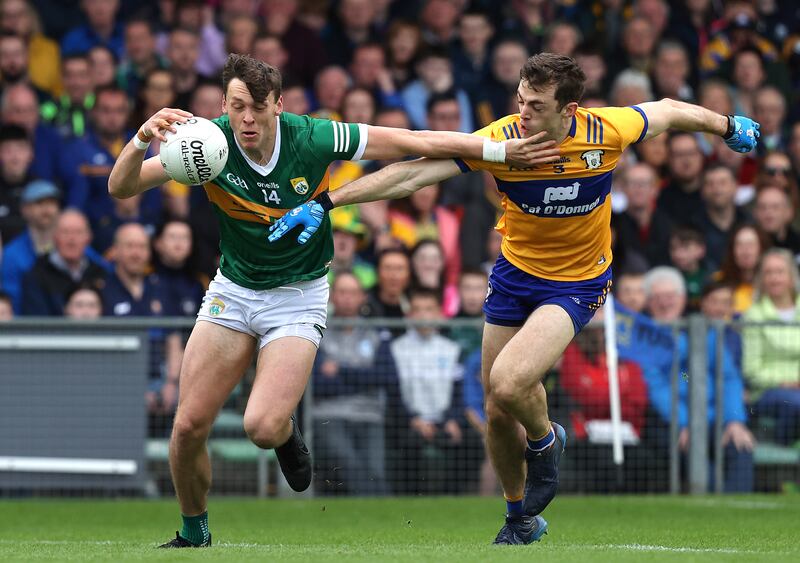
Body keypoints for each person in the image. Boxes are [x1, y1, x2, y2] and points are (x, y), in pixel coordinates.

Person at [271, 52, 760, 543]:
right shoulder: (500, 139)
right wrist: (328, 201)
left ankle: (546, 440)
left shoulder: (608, 130)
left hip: (577, 283)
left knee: (509, 382)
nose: (522, 112)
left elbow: (672, 109)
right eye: (520, 99)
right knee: (497, 409)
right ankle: (519, 517)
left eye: (536, 105)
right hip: (513, 278)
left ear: (568, 110)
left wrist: (726, 124)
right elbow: (415, 173)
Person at [107, 53, 557, 548]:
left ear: (279, 105)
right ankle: (194, 534)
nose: (247, 118)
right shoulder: (205, 144)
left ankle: (283, 432)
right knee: (188, 426)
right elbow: (121, 187)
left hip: (298, 295)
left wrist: (498, 152)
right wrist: (141, 137)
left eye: (258, 106)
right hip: (232, 291)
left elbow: (412, 142)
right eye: (237, 106)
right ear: (224, 105)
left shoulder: (313, 136)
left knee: (260, 426)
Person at [642, 266, 755, 493]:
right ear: (648, 302)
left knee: (741, 445)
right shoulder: (645, 340)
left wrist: (735, 420)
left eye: (670, 296)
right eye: (658, 297)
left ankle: (739, 514)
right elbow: (658, 389)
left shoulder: (705, 331)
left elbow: (729, 378)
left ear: (683, 298)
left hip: (717, 419)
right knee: (697, 458)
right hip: (674, 423)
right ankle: (718, 511)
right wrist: (685, 423)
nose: (665, 303)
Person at [742, 248, 800, 446]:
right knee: (795, 402)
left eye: (780, 272)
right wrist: (788, 382)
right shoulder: (754, 316)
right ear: (761, 280)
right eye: (768, 273)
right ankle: (785, 454)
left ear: (792, 277)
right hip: (768, 392)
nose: (774, 278)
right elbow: (752, 370)